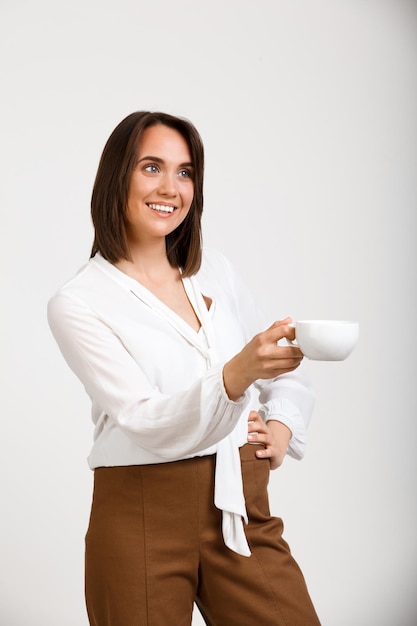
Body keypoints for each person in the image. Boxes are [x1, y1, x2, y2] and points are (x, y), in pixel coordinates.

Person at [47, 111, 321, 625]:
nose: (170, 188)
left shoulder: (215, 269)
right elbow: (146, 420)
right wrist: (236, 375)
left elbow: (283, 367)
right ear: (117, 176)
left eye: (185, 171)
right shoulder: (79, 302)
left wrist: (281, 428)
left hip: (241, 505)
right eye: (151, 167)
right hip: (140, 514)